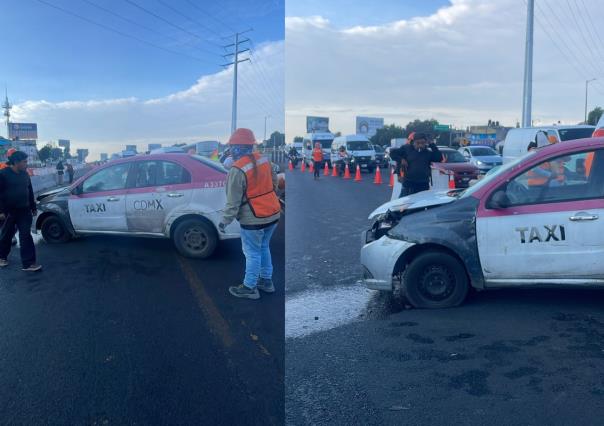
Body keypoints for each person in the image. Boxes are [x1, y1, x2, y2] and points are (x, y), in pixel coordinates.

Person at [219, 128, 281, 300]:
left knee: (252, 253)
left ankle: (249, 287)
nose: (230, 149)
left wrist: (224, 222)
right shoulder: (264, 160)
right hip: (273, 213)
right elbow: (274, 185)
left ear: (236, 147)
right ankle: (266, 282)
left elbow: (233, 202)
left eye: (232, 146)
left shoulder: (237, 169)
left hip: (253, 219)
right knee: (263, 247)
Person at [0, 151, 41, 272]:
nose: (26, 164)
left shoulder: (25, 174)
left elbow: (30, 191)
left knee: (25, 236)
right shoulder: (3, 174)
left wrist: (33, 207)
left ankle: (28, 264)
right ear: (16, 162)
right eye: (24, 162)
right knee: (6, 235)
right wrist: (1, 211)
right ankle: (1, 257)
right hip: (8, 212)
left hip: (24, 211)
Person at [389, 133, 442, 197]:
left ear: (425, 143)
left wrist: (432, 144)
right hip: (409, 183)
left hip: (423, 184)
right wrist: (401, 159)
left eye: (422, 143)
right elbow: (392, 154)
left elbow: (439, 158)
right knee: (404, 205)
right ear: (413, 142)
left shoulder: (427, 153)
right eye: (418, 143)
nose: (420, 145)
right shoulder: (406, 149)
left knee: (421, 205)